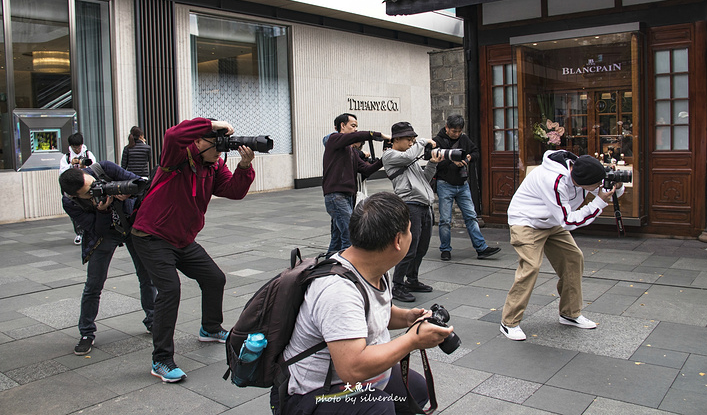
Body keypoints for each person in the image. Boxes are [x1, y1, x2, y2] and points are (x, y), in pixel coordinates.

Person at [280, 192, 453, 414]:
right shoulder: (338, 291)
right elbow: (352, 367)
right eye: (410, 230)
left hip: (358, 381)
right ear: (398, 241)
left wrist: (407, 317)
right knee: (378, 408)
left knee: (416, 390)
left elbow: (375, 313)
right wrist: (412, 340)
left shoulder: (374, 266)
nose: (413, 235)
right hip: (315, 394)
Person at [131, 118, 256, 383]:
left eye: (222, 146)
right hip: (152, 235)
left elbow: (233, 191)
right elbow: (173, 134)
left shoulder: (214, 166)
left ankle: (210, 328)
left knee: (214, 278)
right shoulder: (177, 153)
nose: (219, 150)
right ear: (198, 140)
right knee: (170, 290)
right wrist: (212, 123)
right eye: (214, 143)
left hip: (182, 240)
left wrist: (244, 167)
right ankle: (161, 360)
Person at [500, 151, 624, 341]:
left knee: (573, 258)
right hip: (526, 221)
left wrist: (617, 185)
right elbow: (568, 221)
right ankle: (509, 322)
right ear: (582, 181)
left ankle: (570, 313)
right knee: (531, 266)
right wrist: (599, 202)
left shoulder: (582, 170)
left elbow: (600, 191)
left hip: (552, 221)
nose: (598, 186)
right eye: (596, 183)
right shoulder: (554, 180)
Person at [59, 162, 156, 356]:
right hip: (103, 236)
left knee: (147, 277)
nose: (96, 188)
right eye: (89, 192)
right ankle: (87, 333)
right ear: (76, 195)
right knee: (94, 285)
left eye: (94, 184)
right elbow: (97, 229)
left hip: (130, 225)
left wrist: (127, 191)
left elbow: (141, 183)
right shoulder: (70, 202)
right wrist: (103, 210)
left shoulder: (102, 169)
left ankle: (153, 321)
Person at [381, 122, 441, 303]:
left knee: (421, 247)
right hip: (410, 204)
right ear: (396, 139)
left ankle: (412, 279)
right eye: (409, 139)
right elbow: (408, 156)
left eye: (413, 139)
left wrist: (432, 163)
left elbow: (424, 180)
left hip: (424, 204)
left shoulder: (409, 157)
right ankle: (398, 285)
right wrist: (422, 141)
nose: (411, 143)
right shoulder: (390, 155)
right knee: (409, 248)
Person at [434, 115, 501, 261]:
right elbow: (435, 163)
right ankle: (445, 249)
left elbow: (476, 152)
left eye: (459, 131)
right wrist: (452, 161)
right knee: (445, 220)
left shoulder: (464, 139)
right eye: (453, 131)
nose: (456, 134)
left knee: (471, 217)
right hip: (445, 184)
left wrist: (468, 158)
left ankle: (481, 248)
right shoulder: (437, 141)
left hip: (463, 184)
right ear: (447, 128)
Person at [322, 113, 388, 255]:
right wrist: (377, 135)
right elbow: (355, 137)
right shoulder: (334, 139)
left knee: (338, 238)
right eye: (353, 126)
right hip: (336, 196)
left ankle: (328, 265)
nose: (355, 130)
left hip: (347, 196)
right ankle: (346, 269)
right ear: (342, 126)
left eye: (357, 127)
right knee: (350, 235)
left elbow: (366, 169)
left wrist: (385, 158)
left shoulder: (351, 151)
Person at [59, 132, 97, 245]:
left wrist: (85, 167)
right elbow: (62, 173)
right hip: (73, 190)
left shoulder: (88, 154)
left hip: (86, 187)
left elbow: (95, 168)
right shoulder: (66, 158)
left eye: (79, 146)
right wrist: (72, 165)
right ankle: (79, 233)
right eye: (74, 147)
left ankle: (90, 230)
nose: (77, 149)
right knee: (76, 211)